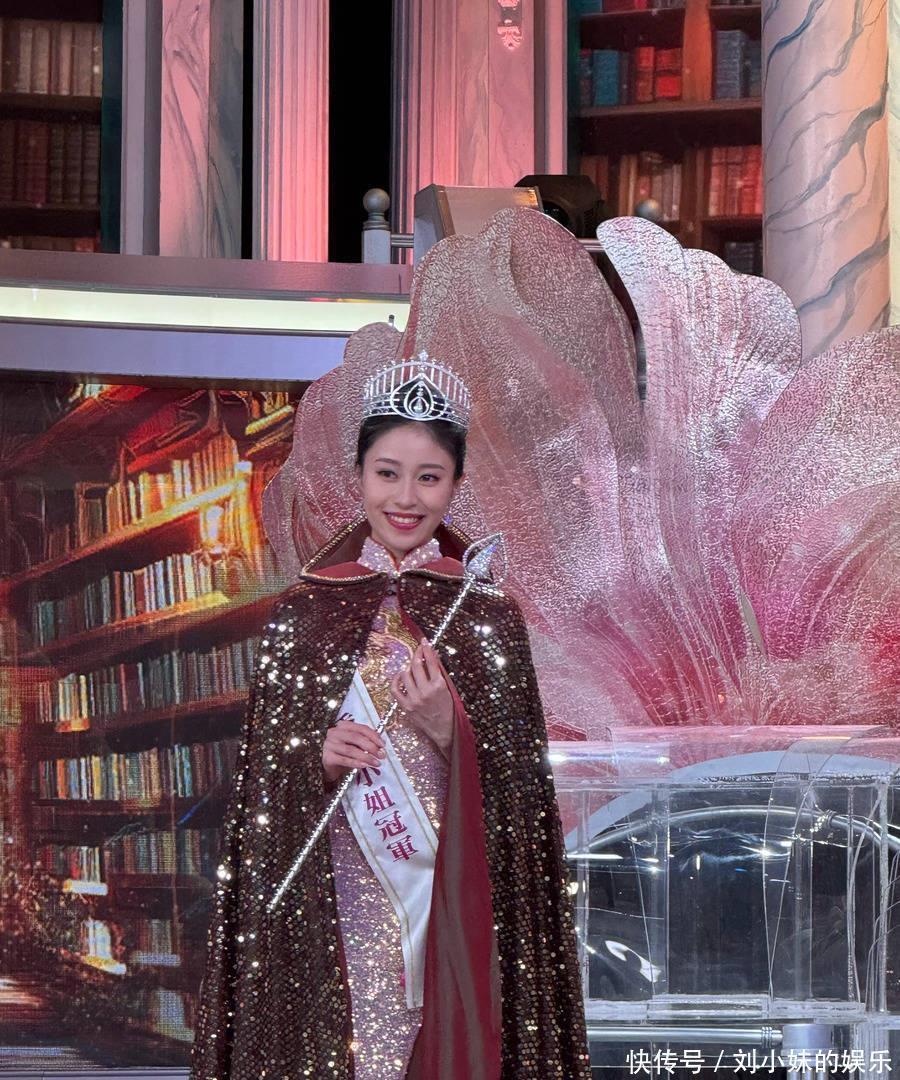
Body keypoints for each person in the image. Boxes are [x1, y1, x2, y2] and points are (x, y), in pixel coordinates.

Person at [190, 357, 589, 1079]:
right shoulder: (303, 612)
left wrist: (450, 728)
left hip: (453, 889)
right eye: (387, 473)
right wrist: (315, 756)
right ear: (359, 476)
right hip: (340, 889)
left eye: (429, 477)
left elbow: (524, 794)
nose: (406, 498)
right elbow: (259, 786)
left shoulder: (489, 617)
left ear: (456, 484)